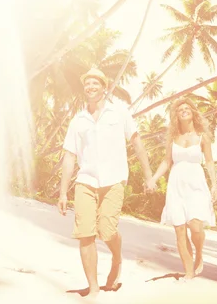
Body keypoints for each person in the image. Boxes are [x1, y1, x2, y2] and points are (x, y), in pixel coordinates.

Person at [57, 67, 155, 298]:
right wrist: (63, 193)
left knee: (107, 230)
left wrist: (149, 175)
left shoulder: (119, 113)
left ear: (104, 86)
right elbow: (70, 156)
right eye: (87, 84)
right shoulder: (77, 120)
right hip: (86, 181)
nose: (90, 87)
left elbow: (137, 145)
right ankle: (93, 288)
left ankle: (117, 259)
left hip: (114, 180)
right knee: (85, 233)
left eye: (95, 83)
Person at [149, 97, 217, 280]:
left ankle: (199, 253)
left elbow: (209, 161)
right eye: (180, 109)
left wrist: (214, 185)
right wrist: (154, 178)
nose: (184, 111)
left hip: (196, 184)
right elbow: (166, 161)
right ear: (176, 115)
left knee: (195, 225)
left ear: (193, 112)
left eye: (187, 108)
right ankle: (189, 272)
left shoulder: (202, 136)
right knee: (180, 229)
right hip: (176, 185)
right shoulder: (173, 138)